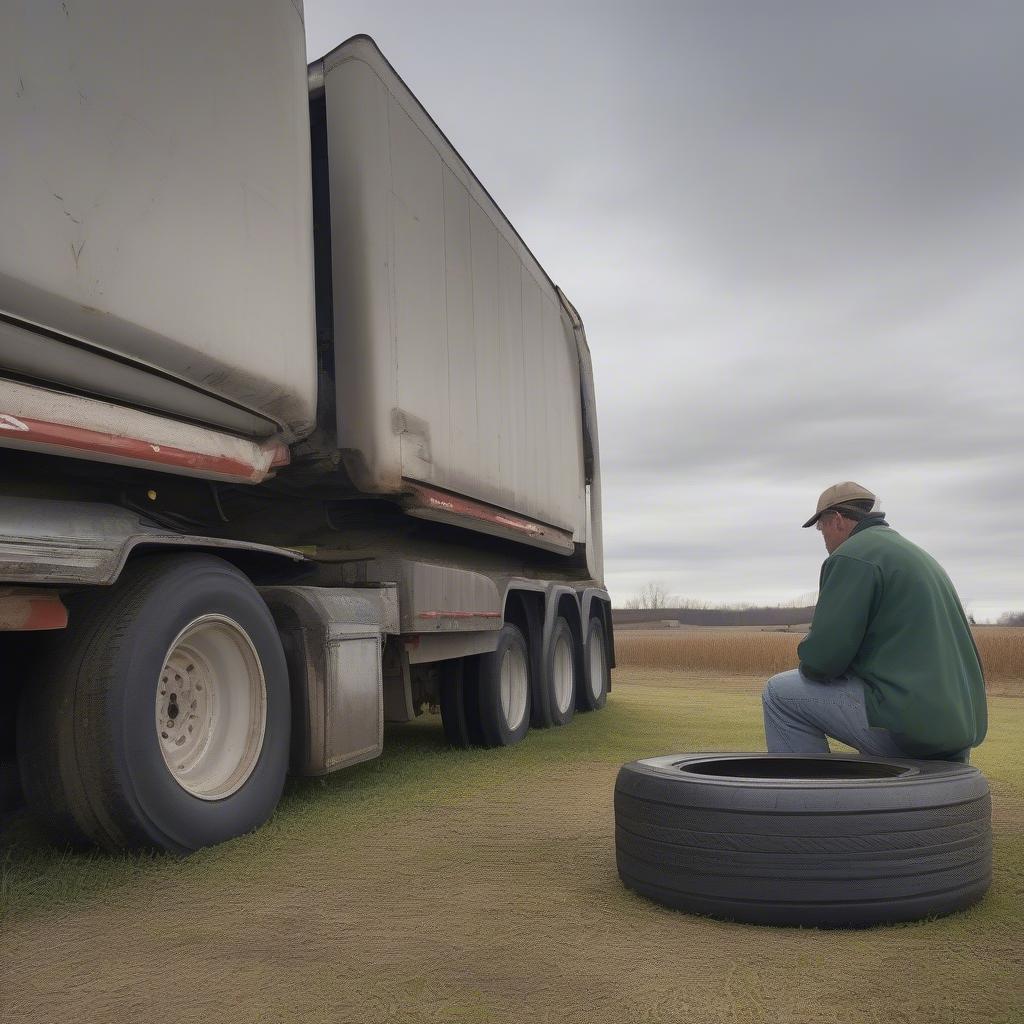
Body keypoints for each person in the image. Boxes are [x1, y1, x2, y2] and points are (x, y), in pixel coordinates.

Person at [762, 482, 987, 762]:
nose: (825, 541)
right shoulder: (915, 555)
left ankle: (808, 798)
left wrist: (810, 652)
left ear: (838, 521)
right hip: (955, 729)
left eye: (821, 530)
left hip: (907, 726)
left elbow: (822, 662)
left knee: (779, 693)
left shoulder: (852, 555)